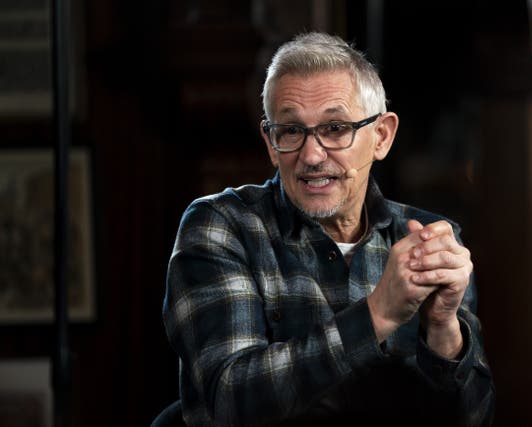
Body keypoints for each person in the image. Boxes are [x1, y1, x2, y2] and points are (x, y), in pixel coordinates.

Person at [162, 31, 495, 426]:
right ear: (271, 143)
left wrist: (442, 330)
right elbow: (229, 402)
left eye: (336, 128)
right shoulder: (221, 227)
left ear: (382, 136)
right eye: (290, 131)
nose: (312, 154)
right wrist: (377, 314)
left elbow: (474, 419)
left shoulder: (427, 238)